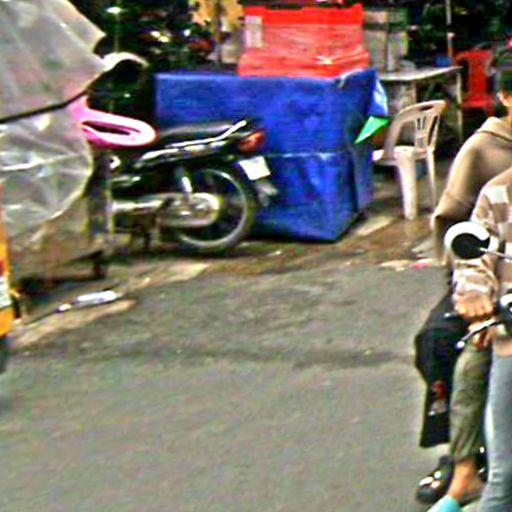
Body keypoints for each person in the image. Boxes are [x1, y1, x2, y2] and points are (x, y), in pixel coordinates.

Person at [415, 46, 512, 511]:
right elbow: (461, 231)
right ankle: (463, 466)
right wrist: (477, 296)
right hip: (489, 274)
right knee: (450, 344)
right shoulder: (485, 157)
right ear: (506, 98)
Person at [451, 163, 512, 512]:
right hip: (510, 339)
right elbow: (474, 261)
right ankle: (465, 472)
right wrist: (475, 295)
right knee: (507, 475)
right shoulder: (498, 193)